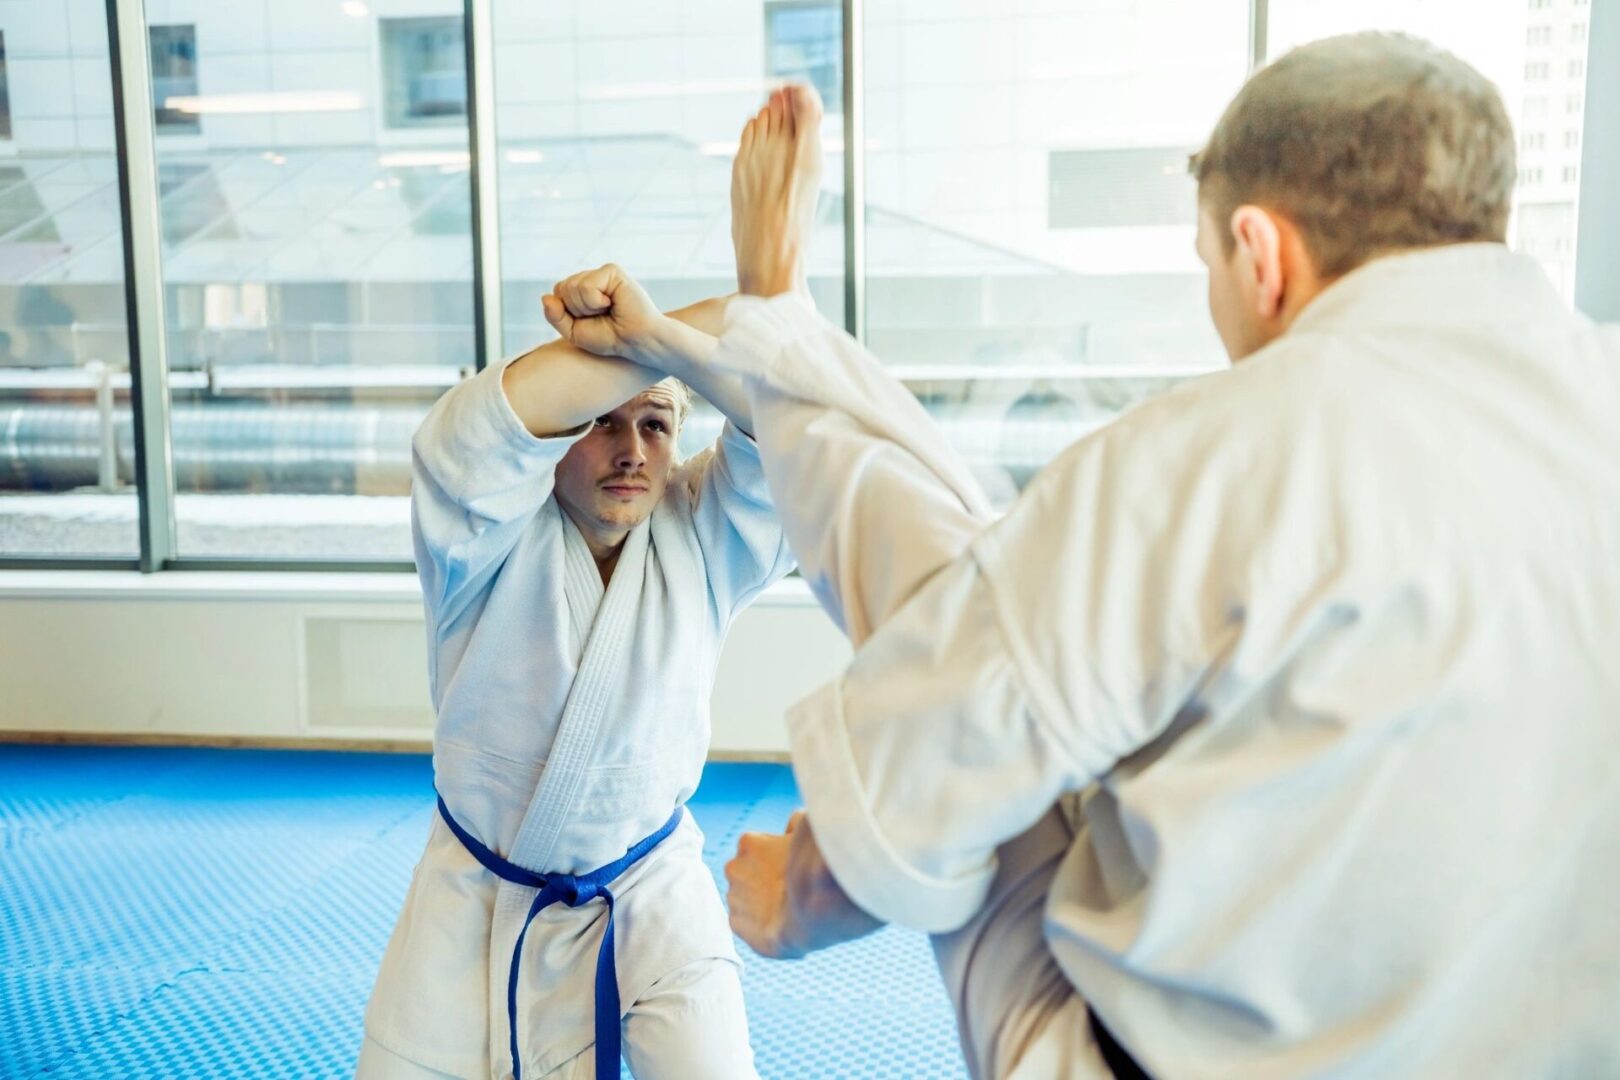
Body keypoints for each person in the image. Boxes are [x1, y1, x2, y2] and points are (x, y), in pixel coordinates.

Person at [550, 36, 1620, 1080]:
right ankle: (783, 338)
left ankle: (780, 324)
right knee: (1008, 612)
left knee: (964, 624)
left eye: (1211, 268)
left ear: (1262, 254)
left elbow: (939, 759)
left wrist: (799, 898)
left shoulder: (1212, 457)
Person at [358, 177, 800, 1076]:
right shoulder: (477, 540)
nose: (632, 451)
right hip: (480, 891)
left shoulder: (700, 530)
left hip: (651, 885)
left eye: (655, 423)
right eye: (597, 424)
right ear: (554, 437)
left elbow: (785, 389)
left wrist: (653, 330)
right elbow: (476, 431)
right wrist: (644, 339)